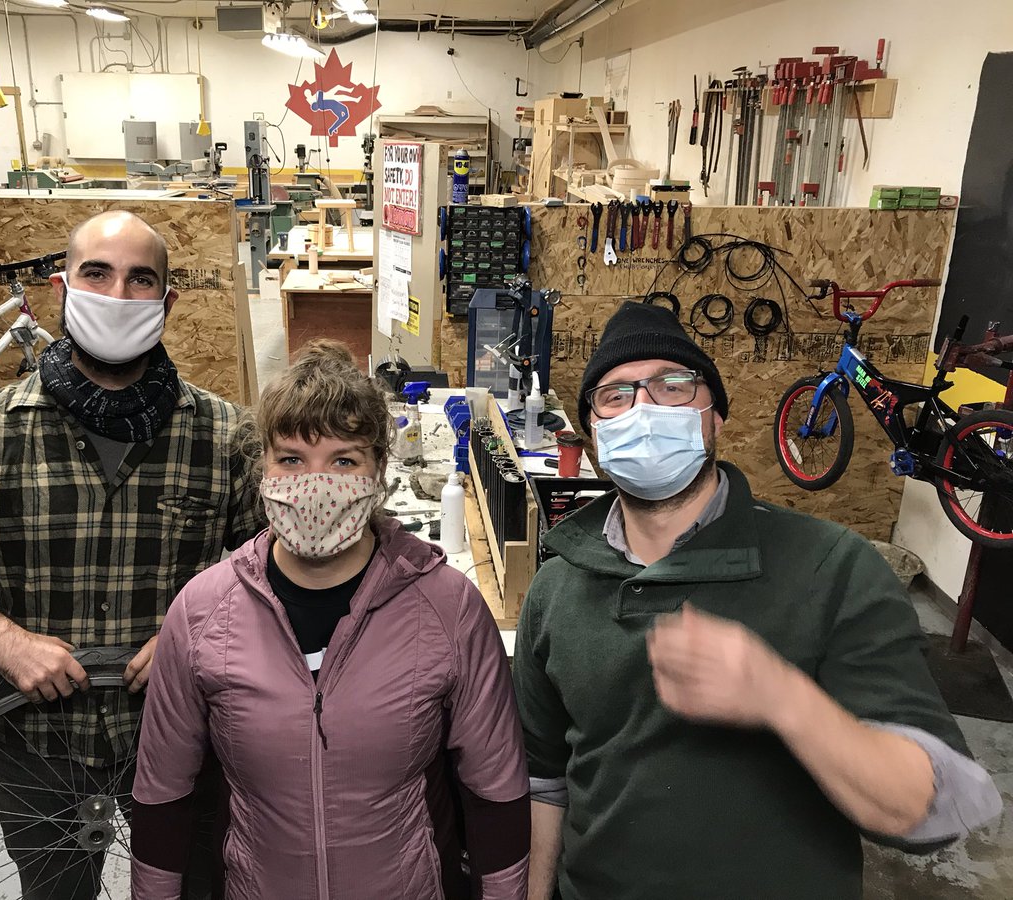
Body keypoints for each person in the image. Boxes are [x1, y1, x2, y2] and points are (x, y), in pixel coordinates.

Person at [514, 301, 1002, 900]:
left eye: (673, 385)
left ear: (715, 417)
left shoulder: (832, 569)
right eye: (615, 396)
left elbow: (935, 809)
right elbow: (546, 782)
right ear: (593, 431)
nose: (642, 409)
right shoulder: (557, 585)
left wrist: (782, 697)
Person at [0, 210, 265, 900]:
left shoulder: (224, 438)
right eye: (97, 274)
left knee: (197, 887)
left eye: (140, 279)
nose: (117, 295)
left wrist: (199, 635)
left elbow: (267, 570)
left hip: (181, 730)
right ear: (62, 285)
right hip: (32, 738)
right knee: (55, 892)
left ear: (167, 301)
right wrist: (3, 640)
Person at [130, 340, 530, 900]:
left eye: (344, 460)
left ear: (379, 471)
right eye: (291, 459)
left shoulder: (450, 609)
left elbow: (497, 794)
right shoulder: (201, 614)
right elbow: (161, 796)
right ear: (262, 468)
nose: (315, 484)